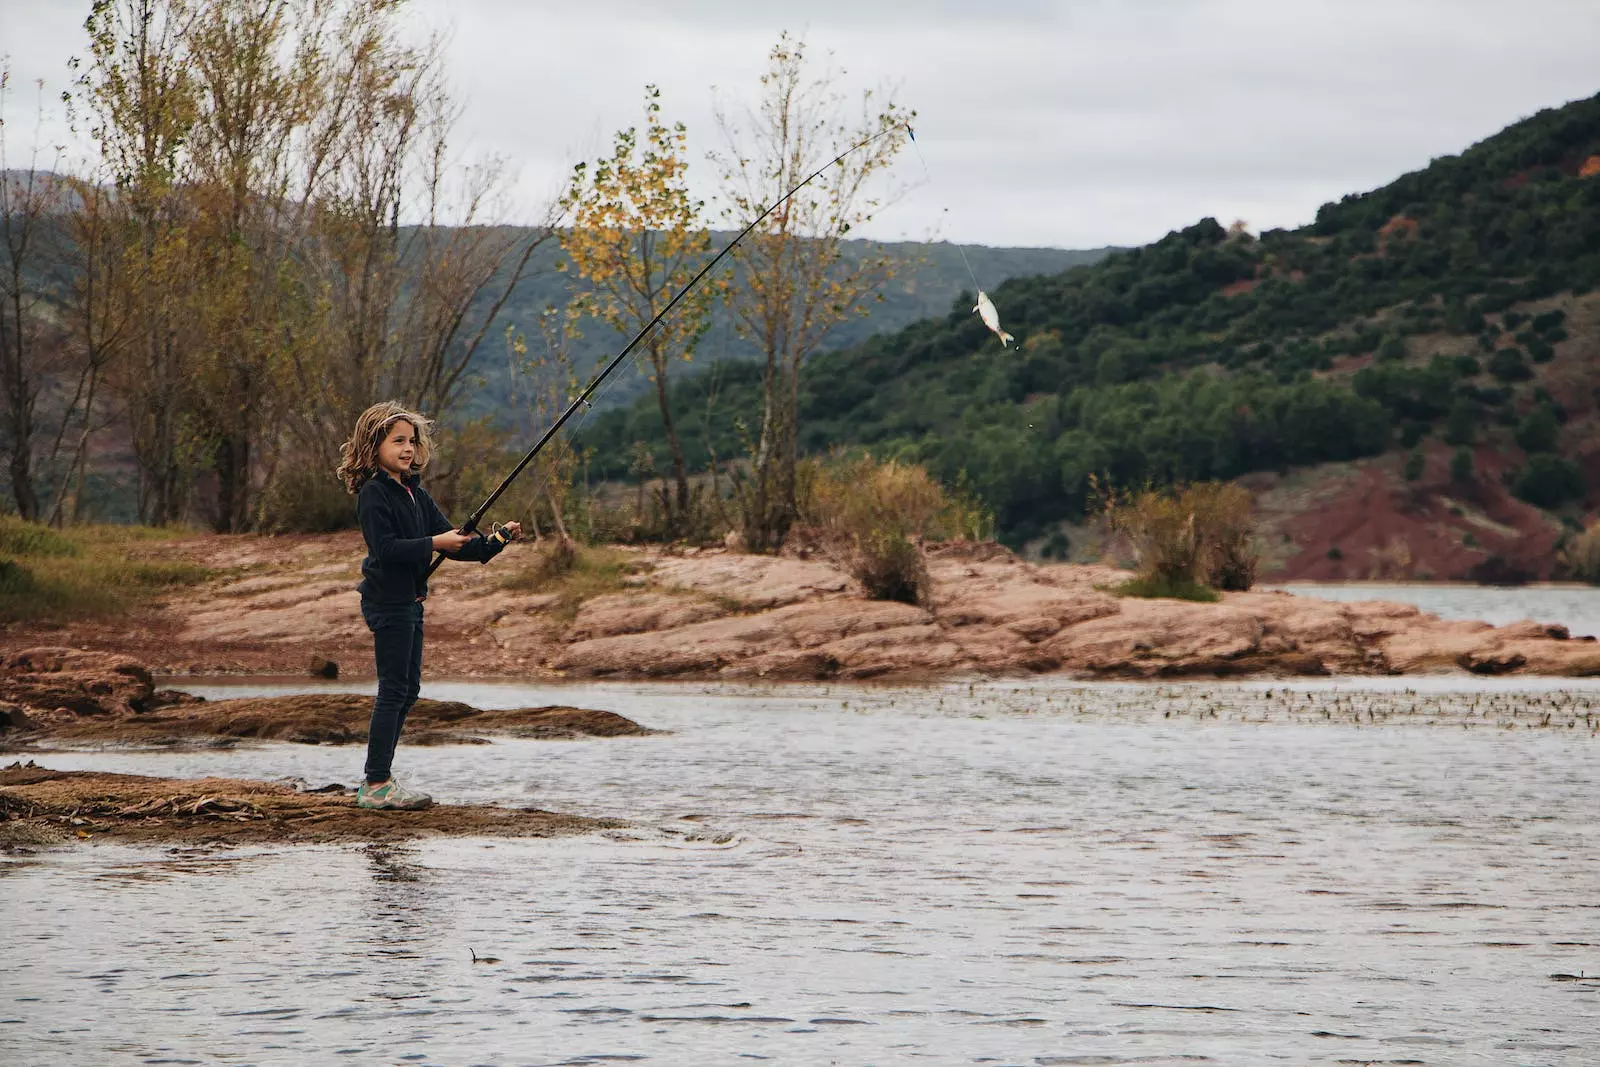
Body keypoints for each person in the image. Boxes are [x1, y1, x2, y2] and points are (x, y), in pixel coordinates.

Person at [335, 401, 521, 810]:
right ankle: (376, 783)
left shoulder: (415, 493)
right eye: (397, 441)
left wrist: (497, 540)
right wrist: (437, 542)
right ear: (374, 446)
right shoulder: (373, 494)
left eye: (412, 441)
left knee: (408, 690)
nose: (407, 448)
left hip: (410, 601)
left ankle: (380, 778)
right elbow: (386, 549)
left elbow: (457, 544)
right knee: (393, 690)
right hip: (387, 601)